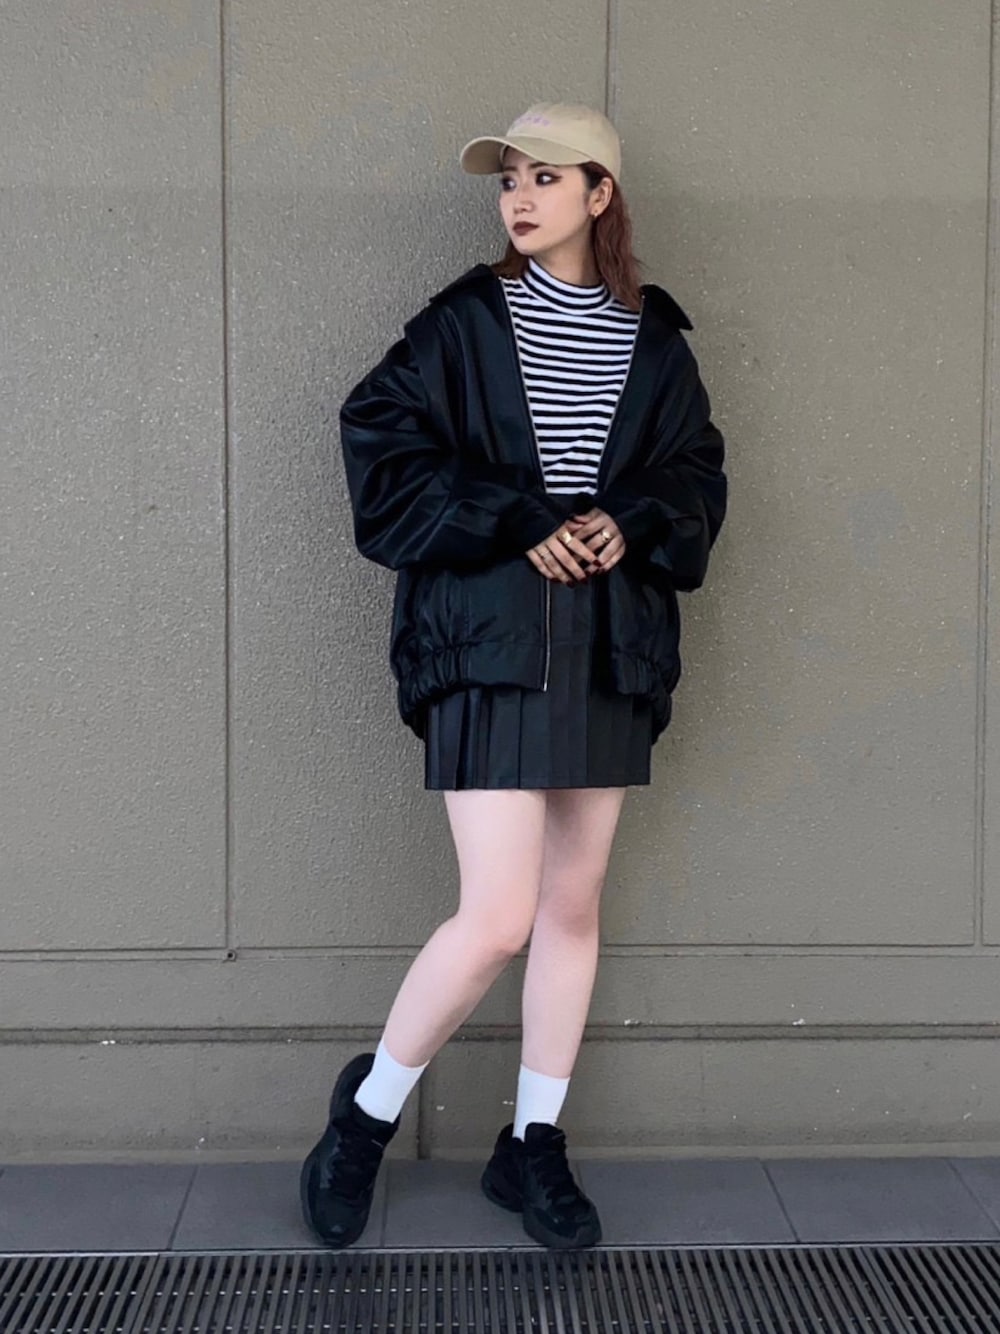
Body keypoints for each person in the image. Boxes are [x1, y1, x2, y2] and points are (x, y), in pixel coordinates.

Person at [300, 101, 727, 1251]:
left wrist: (630, 518)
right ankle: (364, 1117)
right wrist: (516, 515)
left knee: (571, 905)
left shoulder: (654, 341)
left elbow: (693, 473)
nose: (520, 198)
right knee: (496, 914)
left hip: (607, 643)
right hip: (487, 641)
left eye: (546, 177)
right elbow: (380, 443)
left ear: (601, 194)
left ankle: (531, 1142)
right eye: (508, 181)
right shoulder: (462, 323)